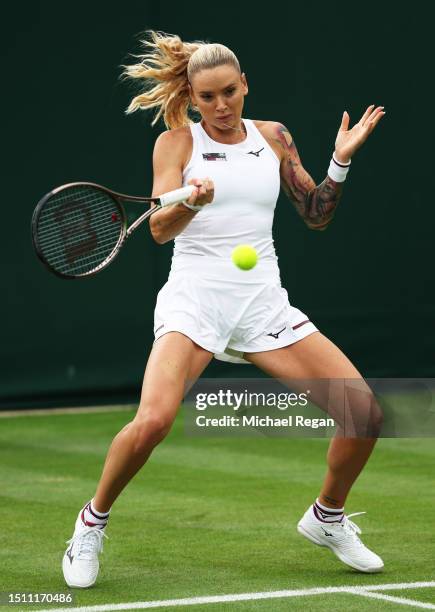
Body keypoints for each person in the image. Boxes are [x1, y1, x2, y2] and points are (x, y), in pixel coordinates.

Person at [62, 31, 385, 588]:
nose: (220, 107)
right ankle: (91, 522)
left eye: (229, 93)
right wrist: (190, 201)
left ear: (244, 86)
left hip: (263, 302)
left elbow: (315, 214)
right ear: (190, 98)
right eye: (206, 98)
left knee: (366, 417)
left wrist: (339, 162)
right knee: (154, 421)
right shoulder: (175, 146)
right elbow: (160, 232)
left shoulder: (274, 136)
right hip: (196, 300)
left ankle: (327, 517)